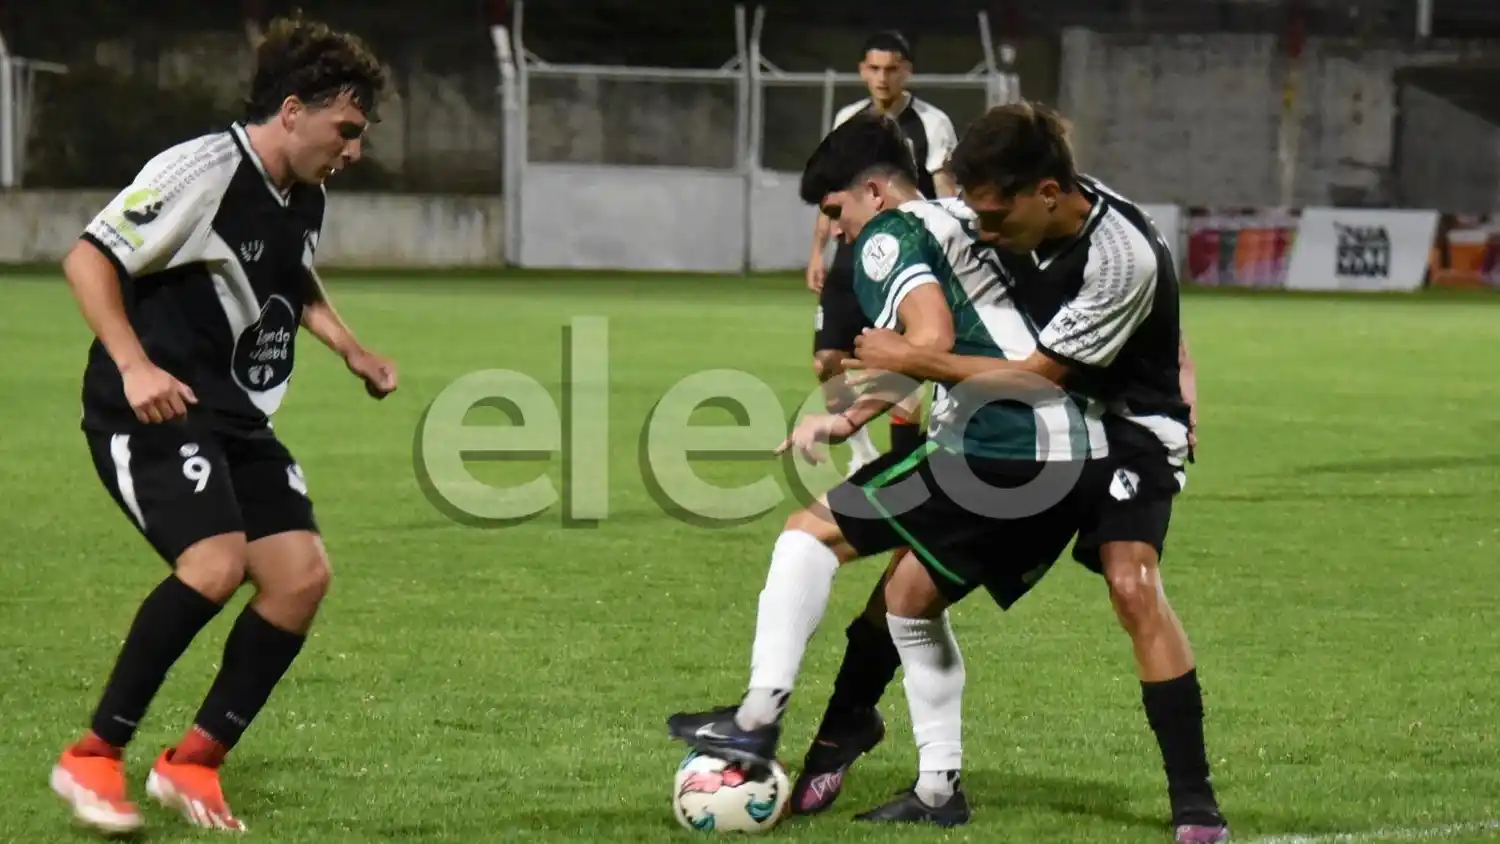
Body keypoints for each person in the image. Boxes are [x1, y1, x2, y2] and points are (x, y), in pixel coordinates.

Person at [792, 102, 1228, 844]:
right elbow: (966, 335)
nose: (983, 231)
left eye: (994, 217)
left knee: (1132, 581)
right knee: (907, 584)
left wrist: (911, 360)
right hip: (1032, 426)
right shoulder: (998, 209)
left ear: (1048, 195)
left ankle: (1195, 803)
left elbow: (1035, 376)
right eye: (975, 213)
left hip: (1128, 426)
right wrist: (855, 408)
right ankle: (843, 739)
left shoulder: (1122, 256)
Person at [667, 112, 1115, 826]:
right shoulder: (966, 220)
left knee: (805, 534)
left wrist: (845, 414)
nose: (838, 231)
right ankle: (939, 790)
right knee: (910, 600)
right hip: (1076, 459)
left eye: (837, 211)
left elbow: (926, 340)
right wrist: (848, 411)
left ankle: (755, 717)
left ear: (875, 192)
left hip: (1001, 450)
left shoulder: (889, 233)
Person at [49, 15, 393, 834]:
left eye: (361, 135)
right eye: (345, 130)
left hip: (232, 416)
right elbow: (89, 257)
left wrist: (350, 348)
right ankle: (94, 754)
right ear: (292, 110)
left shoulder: (302, 191)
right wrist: (134, 366)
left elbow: (293, 276)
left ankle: (193, 762)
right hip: (155, 407)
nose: (353, 151)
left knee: (300, 577)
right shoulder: (203, 168)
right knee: (214, 565)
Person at [806, 30, 958, 476]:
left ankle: (903, 466)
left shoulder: (932, 123)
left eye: (892, 68)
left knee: (903, 360)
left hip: (903, 252)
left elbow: (944, 191)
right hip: (851, 253)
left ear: (907, 71)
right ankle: (861, 450)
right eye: (874, 68)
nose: (882, 77)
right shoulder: (848, 118)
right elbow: (832, 188)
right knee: (827, 360)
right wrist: (817, 251)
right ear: (861, 71)